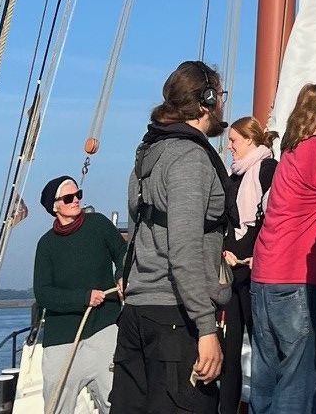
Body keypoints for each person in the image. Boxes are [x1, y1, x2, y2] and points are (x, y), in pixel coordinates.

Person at [112, 61, 233, 414]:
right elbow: (184, 249)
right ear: (207, 101)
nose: (222, 103)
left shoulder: (148, 154)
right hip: (175, 318)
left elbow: (137, 229)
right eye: (220, 95)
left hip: (138, 313)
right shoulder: (189, 158)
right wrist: (206, 328)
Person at [251, 83, 316, 414]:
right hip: (296, 275)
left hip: (265, 274)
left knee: (265, 378)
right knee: (298, 380)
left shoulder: (289, 153)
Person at [33, 175, 125, 413]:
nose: (76, 200)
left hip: (105, 330)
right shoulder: (46, 245)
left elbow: (123, 252)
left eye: (78, 195)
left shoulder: (98, 224)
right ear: (55, 207)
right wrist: (84, 298)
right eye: (68, 198)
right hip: (62, 341)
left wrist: (121, 275)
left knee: (118, 403)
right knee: (57, 408)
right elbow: (43, 294)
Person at [220, 118, 280, 414]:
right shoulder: (234, 176)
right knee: (230, 350)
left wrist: (255, 255)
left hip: (257, 270)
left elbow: (272, 219)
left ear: (249, 139)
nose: (229, 146)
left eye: (233, 140)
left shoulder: (268, 170)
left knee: (263, 348)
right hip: (233, 270)